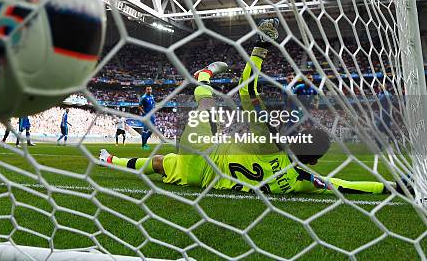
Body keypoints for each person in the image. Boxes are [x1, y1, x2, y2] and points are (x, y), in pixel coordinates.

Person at [99, 19, 408, 196]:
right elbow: (345, 186)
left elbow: (248, 89)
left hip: (203, 149)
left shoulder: (269, 140)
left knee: (206, 106)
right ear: (312, 163)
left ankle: (203, 77)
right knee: (161, 163)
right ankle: (111, 157)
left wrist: (262, 47)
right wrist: (394, 187)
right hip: (202, 179)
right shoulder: (303, 181)